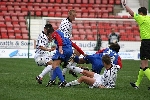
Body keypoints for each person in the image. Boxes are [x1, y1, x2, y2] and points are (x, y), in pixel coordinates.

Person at [46, 9, 85, 87]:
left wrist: (60, 47)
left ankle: (63, 80)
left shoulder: (57, 33)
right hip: (68, 47)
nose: (75, 17)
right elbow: (71, 42)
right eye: (73, 16)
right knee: (57, 64)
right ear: (69, 15)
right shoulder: (65, 23)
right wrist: (83, 53)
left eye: (75, 16)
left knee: (55, 65)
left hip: (64, 47)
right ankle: (52, 80)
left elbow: (60, 38)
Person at [122, 0, 150, 90]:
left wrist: (125, 5)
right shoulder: (149, 18)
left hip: (146, 42)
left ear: (141, 13)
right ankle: (137, 84)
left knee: (145, 65)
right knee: (142, 64)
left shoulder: (142, 18)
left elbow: (131, 13)